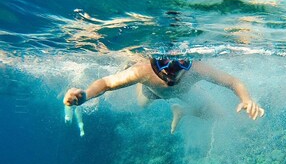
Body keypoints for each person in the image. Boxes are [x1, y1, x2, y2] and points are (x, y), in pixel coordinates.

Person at [63, 57, 265, 134]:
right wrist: (85, 96)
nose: (169, 71)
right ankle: (134, 77)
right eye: (162, 64)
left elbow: (233, 82)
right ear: (154, 61)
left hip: (185, 93)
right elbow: (106, 83)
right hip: (151, 92)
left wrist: (246, 99)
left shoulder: (198, 69)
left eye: (179, 65)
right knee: (142, 103)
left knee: (218, 115)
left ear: (188, 64)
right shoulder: (143, 71)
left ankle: (182, 111)